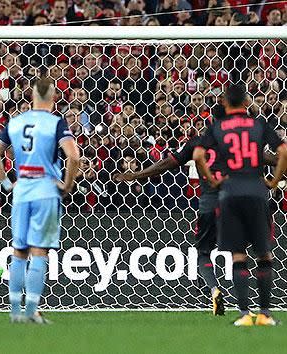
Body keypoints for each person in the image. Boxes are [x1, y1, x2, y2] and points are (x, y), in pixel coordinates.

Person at [114, 115, 277, 316]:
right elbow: (273, 159)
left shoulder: (198, 143)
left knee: (203, 252)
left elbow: (166, 164)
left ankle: (214, 289)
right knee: (246, 253)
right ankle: (250, 308)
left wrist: (136, 175)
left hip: (210, 204)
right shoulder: (242, 145)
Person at [0, 77, 80, 323]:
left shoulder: (15, 122)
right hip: (46, 189)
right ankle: (32, 311)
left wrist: (7, 184)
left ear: (32, 97)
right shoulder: (56, 123)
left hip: (22, 189)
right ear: (53, 97)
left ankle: (15, 311)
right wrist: (67, 185)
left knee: (19, 250)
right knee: (39, 252)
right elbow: (74, 157)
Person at [193, 84, 287, 327]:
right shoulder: (258, 125)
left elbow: (198, 156)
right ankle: (265, 313)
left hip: (230, 192)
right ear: (246, 102)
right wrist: (274, 181)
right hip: (256, 190)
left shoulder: (217, 127)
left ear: (225, 103)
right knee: (264, 253)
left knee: (238, 255)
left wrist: (212, 180)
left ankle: (245, 314)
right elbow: (283, 152)